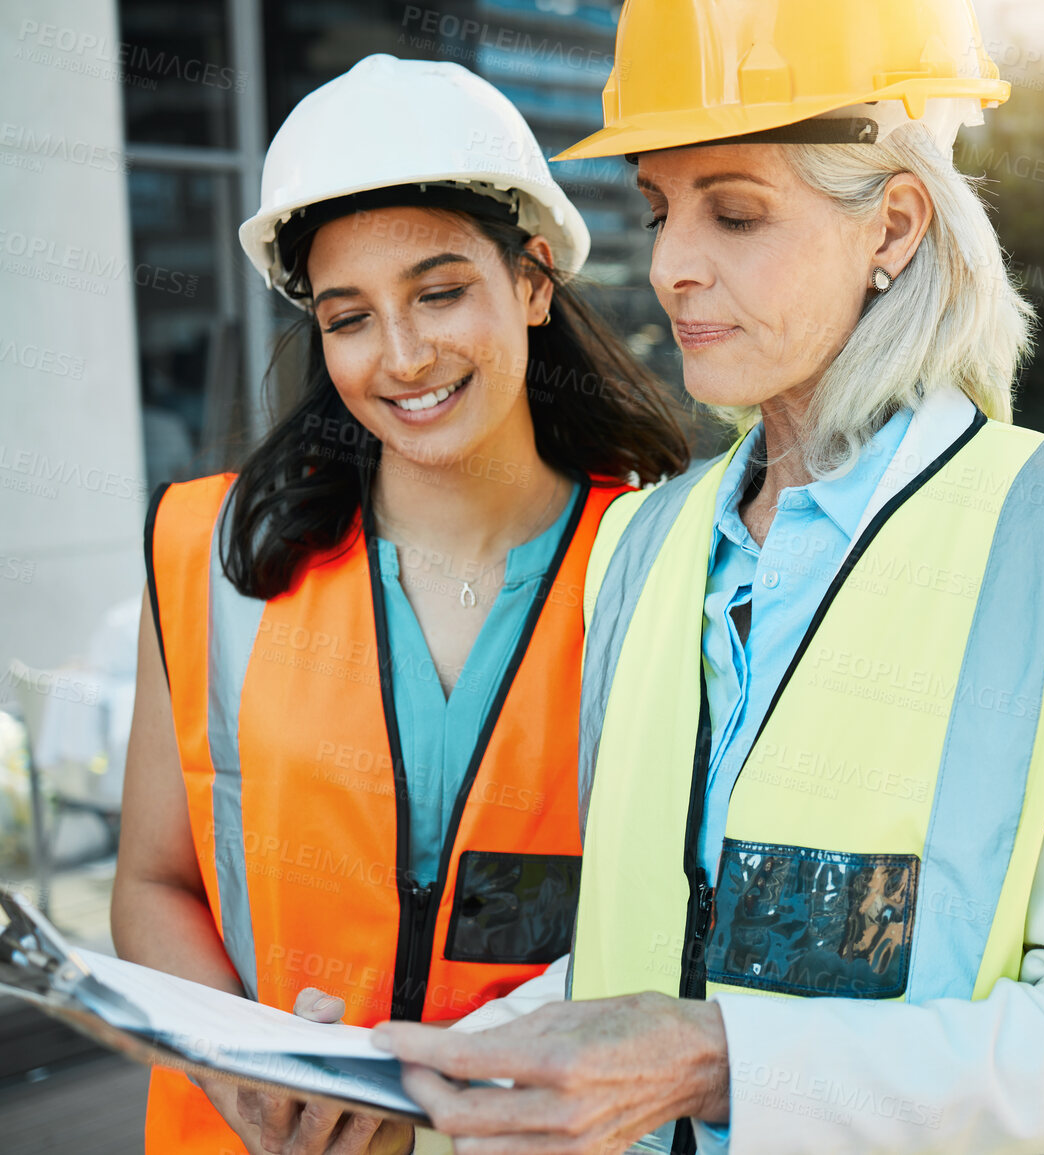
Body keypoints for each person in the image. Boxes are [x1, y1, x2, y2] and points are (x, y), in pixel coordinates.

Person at [367, 2, 1044, 1153]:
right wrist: (409, 1067)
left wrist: (722, 1067)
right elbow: (655, 940)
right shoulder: (644, 544)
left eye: (735, 213)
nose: (672, 265)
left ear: (894, 225)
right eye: (661, 208)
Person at [112, 54, 689, 1155]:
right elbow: (153, 881)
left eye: (438, 292)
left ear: (529, 281)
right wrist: (259, 1082)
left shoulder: (663, 561)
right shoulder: (205, 552)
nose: (404, 356)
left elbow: (676, 926)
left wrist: (434, 1114)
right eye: (349, 318)